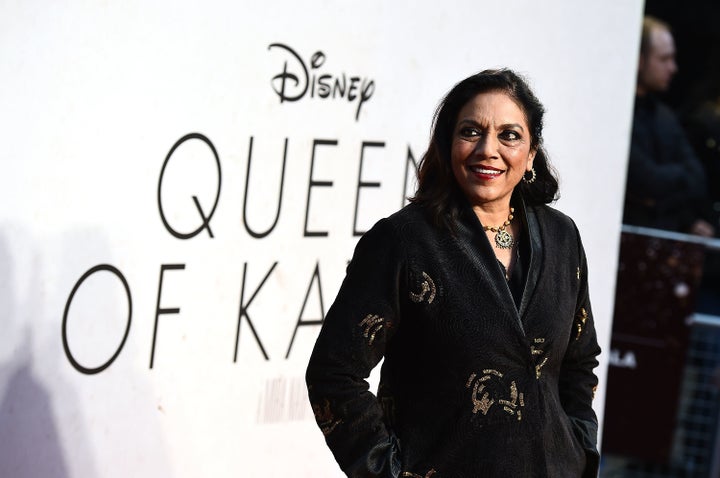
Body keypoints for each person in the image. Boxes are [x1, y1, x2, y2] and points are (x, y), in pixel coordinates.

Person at [306, 69, 601, 477]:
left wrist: (580, 450)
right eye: (471, 131)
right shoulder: (403, 241)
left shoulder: (562, 236)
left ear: (531, 154)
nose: (488, 150)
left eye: (509, 135)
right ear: (448, 145)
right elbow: (333, 373)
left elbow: (580, 359)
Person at [623, 16, 715, 237]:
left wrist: (658, 190)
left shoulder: (666, 117)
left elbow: (698, 179)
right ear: (639, 60)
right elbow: (645, 180)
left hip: (663, 238)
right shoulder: (620, 115)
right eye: (664, 59)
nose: (673, 68)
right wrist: (675, 179)